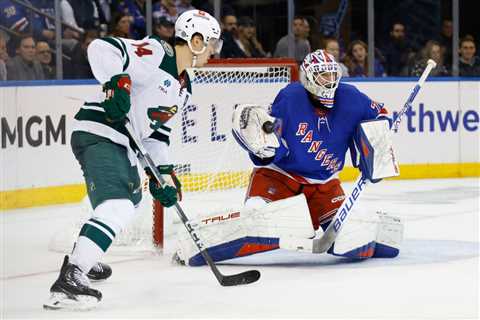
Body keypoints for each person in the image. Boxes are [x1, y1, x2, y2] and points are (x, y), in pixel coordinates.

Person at [43, 9, 222, 310]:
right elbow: (102, 48)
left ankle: (86, 256)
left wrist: (162, 174)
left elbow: (156, 134)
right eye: (212, 43)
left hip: (119, 141)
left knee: (130, 202)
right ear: (195, 40)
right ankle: (70, 280)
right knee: (119, 205)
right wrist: (117, 81)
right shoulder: (157, 51)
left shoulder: (184, 87)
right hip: (101, 130)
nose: (215, 52)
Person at [174, 50, 403, 266]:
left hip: (324, 185)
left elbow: (381, 115)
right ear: (310, 78)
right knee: (259, 221)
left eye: (333, 74)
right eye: (323, 75)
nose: (330, 80)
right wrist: (263, 149)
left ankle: (378, 227)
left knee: (353, 240)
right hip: (279, 177)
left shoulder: (351, 97)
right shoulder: (291, 97)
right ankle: (194, 242)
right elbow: (271, 139)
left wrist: (376, 144)